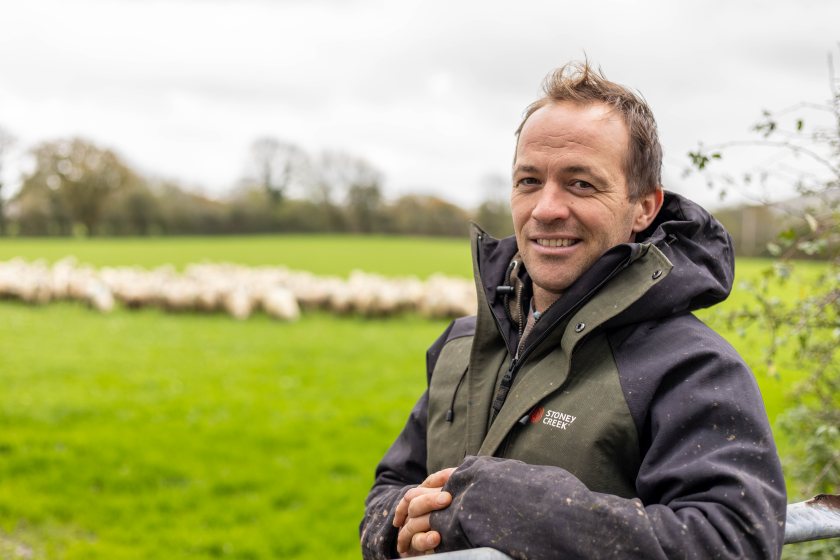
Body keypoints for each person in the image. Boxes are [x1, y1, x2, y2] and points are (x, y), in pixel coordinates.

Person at [360, 62, 787, 559]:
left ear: (644, 207)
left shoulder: (689, 367)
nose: (546, 208)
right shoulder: (462, 345)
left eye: (581, 184)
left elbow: (735, 541)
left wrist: (516, 507)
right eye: (528, 181)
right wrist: (398, 529)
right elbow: (390, 487)